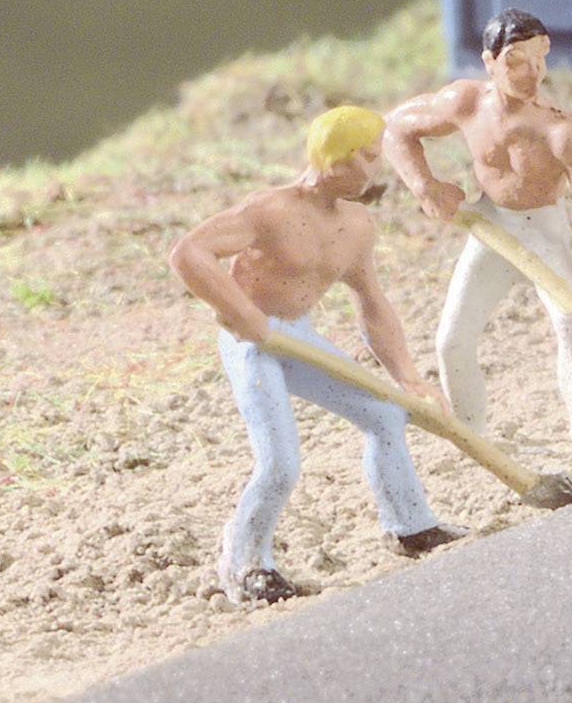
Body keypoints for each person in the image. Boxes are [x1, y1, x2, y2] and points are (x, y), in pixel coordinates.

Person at [168, 105, 464, 604]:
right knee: (280, 462)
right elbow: (189, 252)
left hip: (296, 338)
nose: (377, 168)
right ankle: (245, 563)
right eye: (367, 158)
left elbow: (372, 303)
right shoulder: (270, 210)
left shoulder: (357, 225)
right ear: (334, 158)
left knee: (387, 416)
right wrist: (242, 312)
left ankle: (409, 525)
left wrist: (408, 375)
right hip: (253, 345)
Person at [383, 9, 572, 449]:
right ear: (489, 62)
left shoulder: (561, 132)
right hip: (491, 225)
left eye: (539, 59)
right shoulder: (465, 104)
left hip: (544, 231)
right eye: (515, 60)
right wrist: (425, 186)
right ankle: (471, 436)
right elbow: (396, 129)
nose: (531, 73)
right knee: (451, 339)